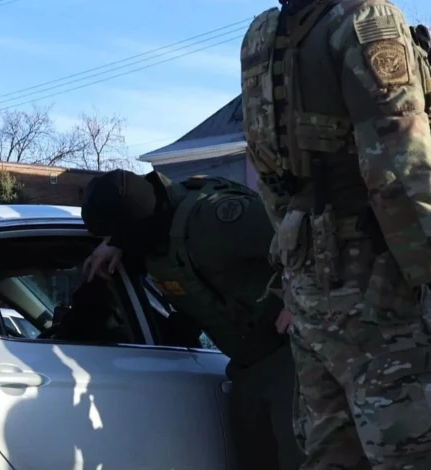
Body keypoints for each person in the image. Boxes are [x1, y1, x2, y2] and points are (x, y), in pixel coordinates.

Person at [239, 0, 431, 468]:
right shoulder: (366, 18)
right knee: (411, 449)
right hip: (377, 282)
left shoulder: (264, 32)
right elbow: (400, 163)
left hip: (309, 278)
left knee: (332, 451)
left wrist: (295, 264)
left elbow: (268, 172)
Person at [81, 169, 305, 470]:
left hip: (292, 354)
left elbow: (304, 233)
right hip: (248, 365)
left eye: (116, 234)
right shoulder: (151, 236)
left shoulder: (214, 219)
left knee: (303, 460)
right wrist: (117, 243)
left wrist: (301, 298)